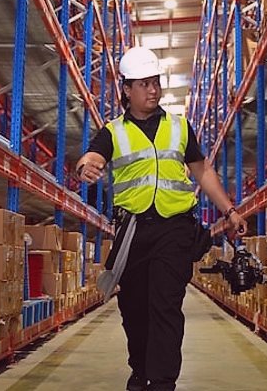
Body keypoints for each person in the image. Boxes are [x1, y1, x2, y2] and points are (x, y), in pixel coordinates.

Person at [76, 46, 246, 391]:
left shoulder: (180, 127)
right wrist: (86, 167)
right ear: (127, 89)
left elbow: (202, 171)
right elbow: (91, 157)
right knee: (134, 307)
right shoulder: (113, 132)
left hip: (175, 227)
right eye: (144, 84)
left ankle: (163, 382)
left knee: (166, 305)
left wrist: (230, 210)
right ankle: (140, 370)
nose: (153, 90)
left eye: (156, 82)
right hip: (133, 231)